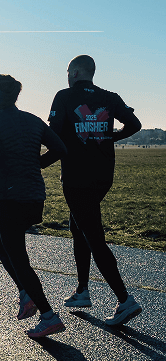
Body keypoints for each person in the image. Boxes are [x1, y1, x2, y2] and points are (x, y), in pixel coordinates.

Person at [44, 55, 143, 326]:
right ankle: (82, 291)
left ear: (75, 73)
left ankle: (125, 300)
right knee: (78, 227)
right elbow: (135, 125)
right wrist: (110, 136)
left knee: (93, 236)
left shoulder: (63, 96)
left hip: (77, 177)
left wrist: (37, 164)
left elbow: (55, 139)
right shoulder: (110, 97)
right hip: (103, 175)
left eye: (67, 71)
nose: (66, 76)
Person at [0, 75, 67, 340]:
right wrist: (37, 163)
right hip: (35, 198)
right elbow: (61, 148)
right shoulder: (33, 120)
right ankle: (26, 294)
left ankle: (48, 316)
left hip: (8, 198)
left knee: (19, 259)